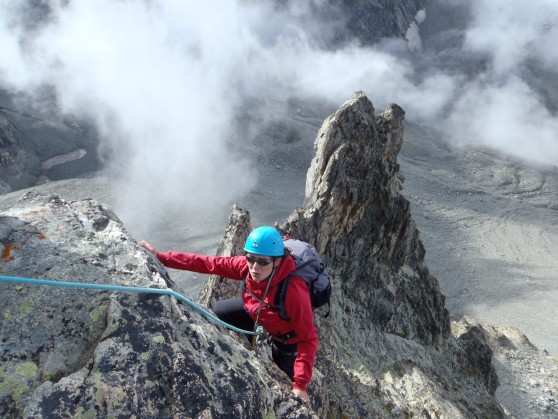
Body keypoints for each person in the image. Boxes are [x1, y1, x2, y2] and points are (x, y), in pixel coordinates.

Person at [139, 226, 317, 403]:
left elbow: (308, 338)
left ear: (277, 262)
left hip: (286, 338)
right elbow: (209, 263)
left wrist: (300, 385)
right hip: (258, 312)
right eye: (251, 258)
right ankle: (250, 341)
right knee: (221, 311)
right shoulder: (245, 267)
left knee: (285, 377)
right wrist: (163, 258)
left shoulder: (293, 290)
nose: (255, 267)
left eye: (263, 262)